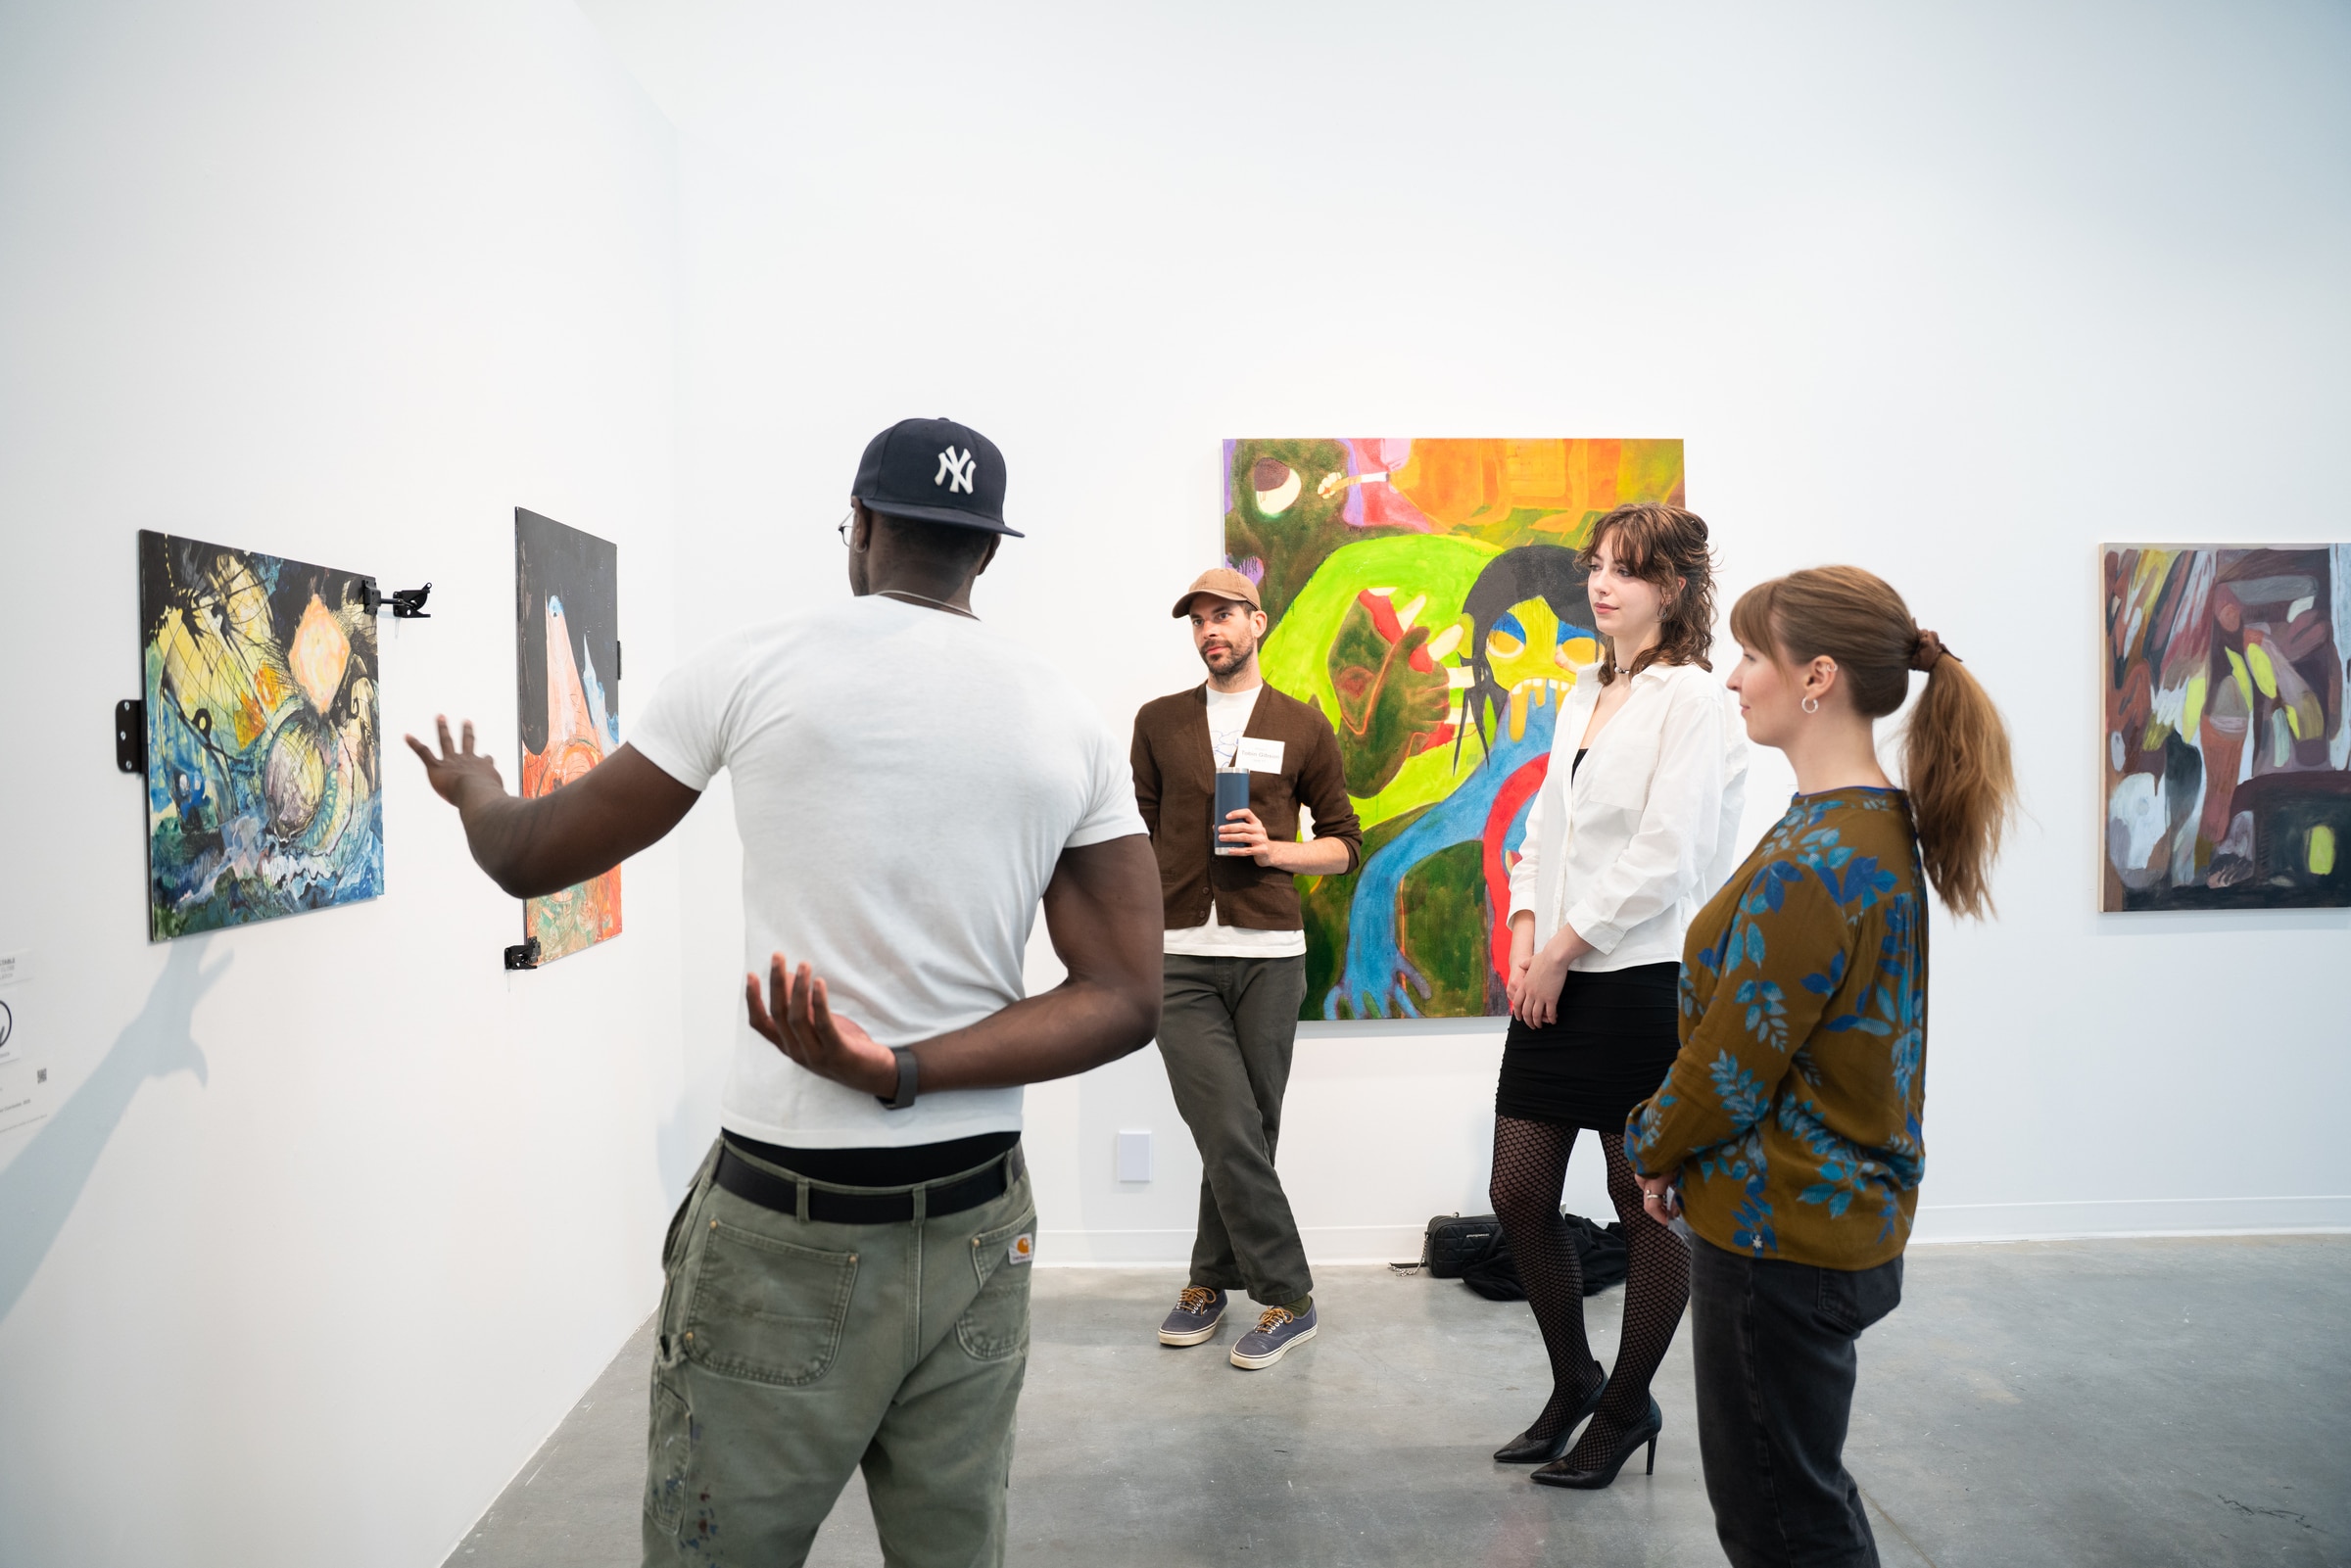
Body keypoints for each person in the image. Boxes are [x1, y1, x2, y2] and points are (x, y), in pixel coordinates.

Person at [404, 417, 1163, 1568]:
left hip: (788, 1224)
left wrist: (474, 788)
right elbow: (1124, 995)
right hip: (976, 1224)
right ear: (986, 552)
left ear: (860, 526)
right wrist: (908, 1069)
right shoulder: (1069, 721)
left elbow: (528, 855)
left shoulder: (750, 667)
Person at [1627, 566, 2015, 1567]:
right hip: (1820, 1214)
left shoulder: (1819, 856)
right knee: (1801, 1498)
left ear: (1818, 677)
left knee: (1781, 1523)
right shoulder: (1863, 821)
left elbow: (1732, 1065)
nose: (1732, 677)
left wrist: (1651, 1145)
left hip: (1781, 1232)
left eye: (1753, 655)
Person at [1490, 504, 1749, 1487]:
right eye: (1596, 564)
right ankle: (1576, 1381)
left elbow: (1667, 854)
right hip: (1555, 971)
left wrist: (1561, 947)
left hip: (1643, 979)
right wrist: (1525, 932)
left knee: (1643, 1207)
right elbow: (1542, 836)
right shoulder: (1584, 691)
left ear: (1672, 587)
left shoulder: (1694, 699)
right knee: (1517, 1193)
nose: (1601, 583)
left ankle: (1628, 1404)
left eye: (1626, 570)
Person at [1129, 568, 1364, 1369]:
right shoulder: (1158, 722)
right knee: (1226, 1124)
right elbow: (1142, 833)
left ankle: (1207, 1281)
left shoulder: (1303, 724)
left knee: (1247, 1132)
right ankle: (1290, 1295)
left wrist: (1275, 850)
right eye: (1197, 618)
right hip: (1179, 958)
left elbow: (1344, 844)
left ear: (1257, 622)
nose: (1209, 629)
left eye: (1223, 614)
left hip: (1270, 957)